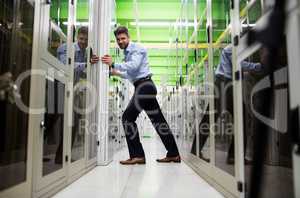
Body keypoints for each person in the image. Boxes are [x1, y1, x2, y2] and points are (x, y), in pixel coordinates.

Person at [101, 26, 180, 165]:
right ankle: (173, 154)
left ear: (128, 38)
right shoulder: (127, 53)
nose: (120, 41)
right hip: (143, 86)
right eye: (118, 39)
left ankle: (137, 155)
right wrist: (116, 72)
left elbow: (134, 66)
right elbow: (131, 73)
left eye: (123, 38)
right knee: (159, 122)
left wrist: (114, 63)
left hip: (145, 87)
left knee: (127, 118)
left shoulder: (137, 48)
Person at [192, 45, 262, 164]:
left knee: (212, 119)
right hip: (225, 84)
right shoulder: (232, 47)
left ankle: (231, 156)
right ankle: (233, 156)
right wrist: (256, 66)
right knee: (238, 119)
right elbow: (237, 63)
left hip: (224, 84)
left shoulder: (236, 46)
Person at [54, 27, 99, 164]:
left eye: (86, 40)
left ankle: (61, 155)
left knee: (72, 123)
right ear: (76, 37)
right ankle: (34, 153)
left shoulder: (85, 52)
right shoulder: (66, 47)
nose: (83, 42)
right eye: (81, 39)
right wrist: (87, 64)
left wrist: (95, 69)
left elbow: (81, 72)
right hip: (57, 86)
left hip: (72, 89)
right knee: (50, 120)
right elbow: (65, 65)